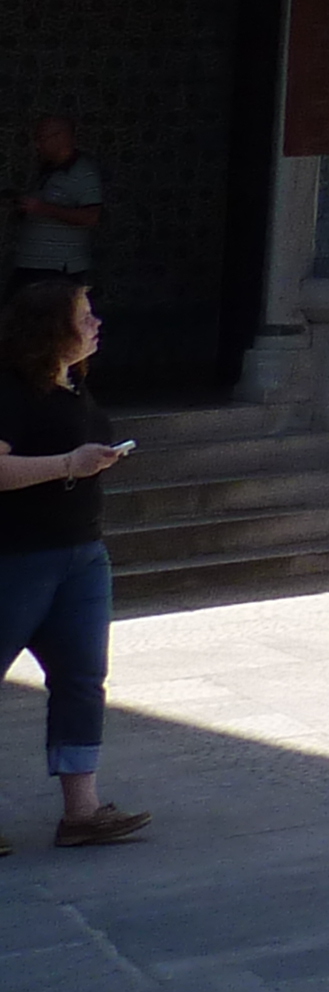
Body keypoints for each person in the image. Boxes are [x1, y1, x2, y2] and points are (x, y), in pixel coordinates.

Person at [0, 278, 144, 846]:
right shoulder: (9, 391)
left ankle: (81, 811)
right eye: (83, 317)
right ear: (49, 330)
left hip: (82, 554)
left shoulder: (73, 385)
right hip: (16, 556)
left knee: (83, 677)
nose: (95, 324)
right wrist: (68, 464)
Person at [10, 119, 102, 303]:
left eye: (41, 138)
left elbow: (91, 217)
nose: (37, 145)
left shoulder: (83, 173)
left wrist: (42, 208)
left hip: (58, 269)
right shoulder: (47, 170)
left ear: (60, 137)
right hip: (33, 264)